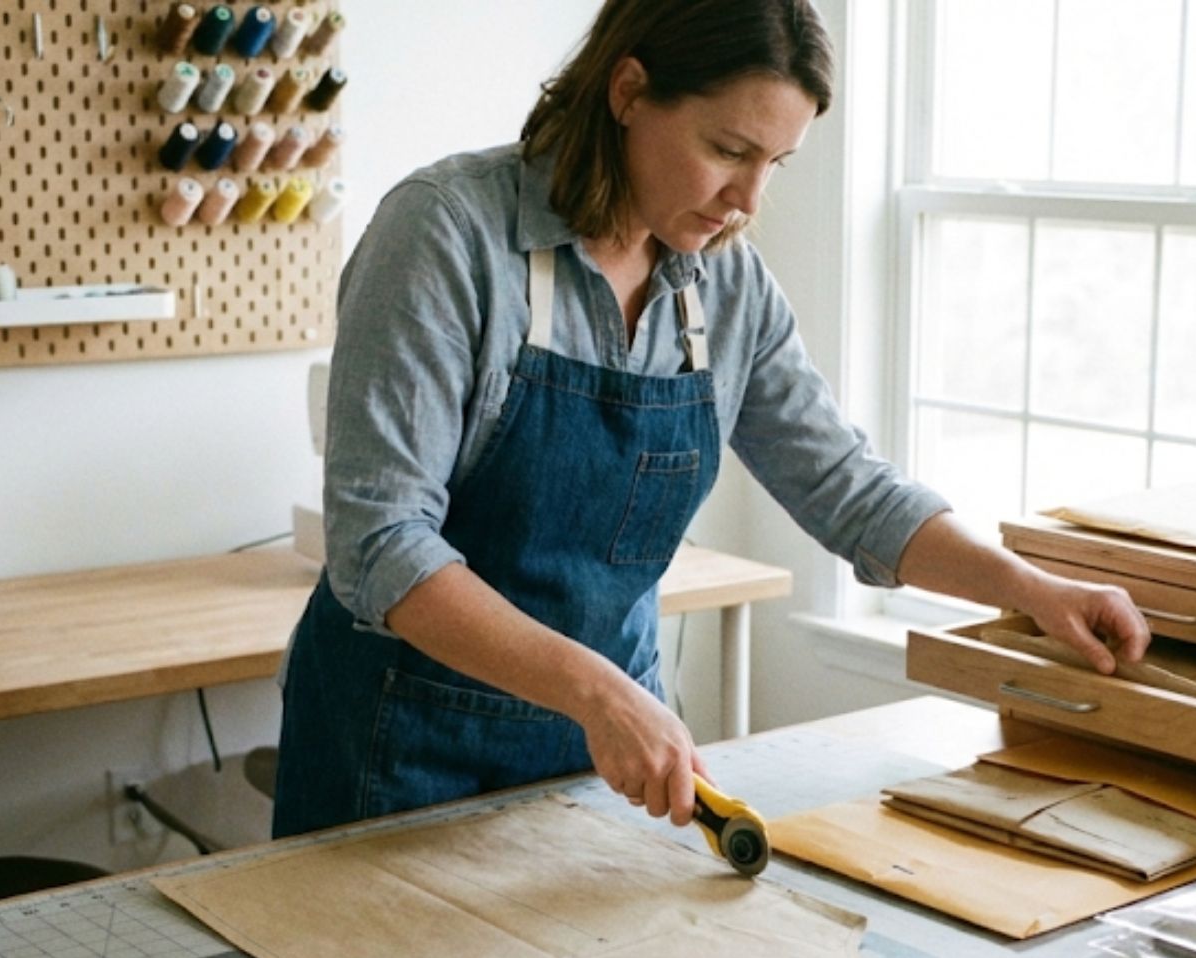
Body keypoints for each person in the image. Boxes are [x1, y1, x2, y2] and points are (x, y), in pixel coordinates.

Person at [272, 0, 1148, 839]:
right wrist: (600, 693)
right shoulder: (447, 235)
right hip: (401, 747)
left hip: (608, 754)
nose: (748, 199)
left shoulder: (726, 285)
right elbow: (382, 543)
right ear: (627, 91)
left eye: (777, 163)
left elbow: (848, 489)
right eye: (729, 149)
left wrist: (1029, 590)